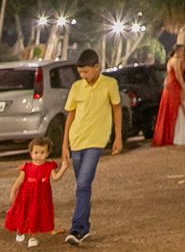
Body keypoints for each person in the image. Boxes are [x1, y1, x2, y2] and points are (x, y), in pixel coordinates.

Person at [61, 48, 123, 247]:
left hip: (96, 142)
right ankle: (84, 226)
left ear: (97, 67)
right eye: (81, 73)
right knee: (82, 186)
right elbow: (70, 115)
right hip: (76, 140)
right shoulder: (77, 87)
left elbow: (116, 109)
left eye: (86, 72)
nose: (83, 76)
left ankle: (76, 229)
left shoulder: (110, 84)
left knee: (83, 184)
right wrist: (64, 145)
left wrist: (118, 137)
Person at [4, 137, 59, 247]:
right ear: (31, 153)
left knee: (35, 215)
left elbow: (56, 177)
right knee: (22, 213)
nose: (39, 155)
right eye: (36, 152)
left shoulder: (49, 166)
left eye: (42, 152)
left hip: (40, 197)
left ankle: (32, 237)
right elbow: (19, 180)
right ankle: (20, 230)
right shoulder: (27, 167)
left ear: (47, 153)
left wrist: (64, 168)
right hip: (25, 196)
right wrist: (13, 191)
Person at [152, 46, 185, 147]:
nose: (183, 53)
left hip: (169, 87)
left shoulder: (170, 60)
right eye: (182, 51)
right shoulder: (176, 61)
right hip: (174, 87)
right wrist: (183, 87)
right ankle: (169, 137)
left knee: (167, 110)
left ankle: (164, 136)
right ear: (177, 51)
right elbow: (178, 74)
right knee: (172, 111)